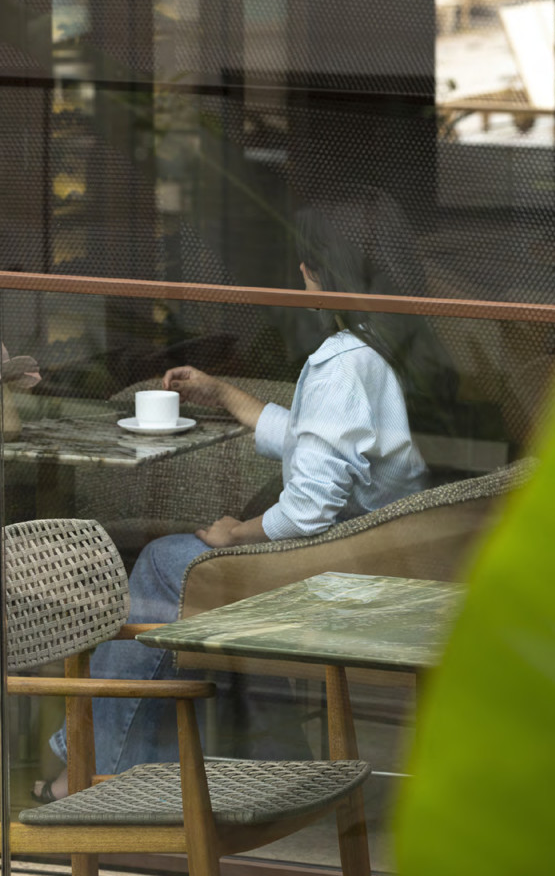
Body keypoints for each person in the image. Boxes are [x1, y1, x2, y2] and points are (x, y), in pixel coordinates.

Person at [33, 197, 429, 802]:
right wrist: (223, 394)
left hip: (338, 580)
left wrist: (236, 535)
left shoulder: (343, 363)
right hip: (378, 559)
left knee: (165, 563)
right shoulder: (389, 348)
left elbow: (310, 507)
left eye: (304, 265)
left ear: (318, 273)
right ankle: (231, 762)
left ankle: (95, 770)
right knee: (185, 572)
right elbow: (319, 439)